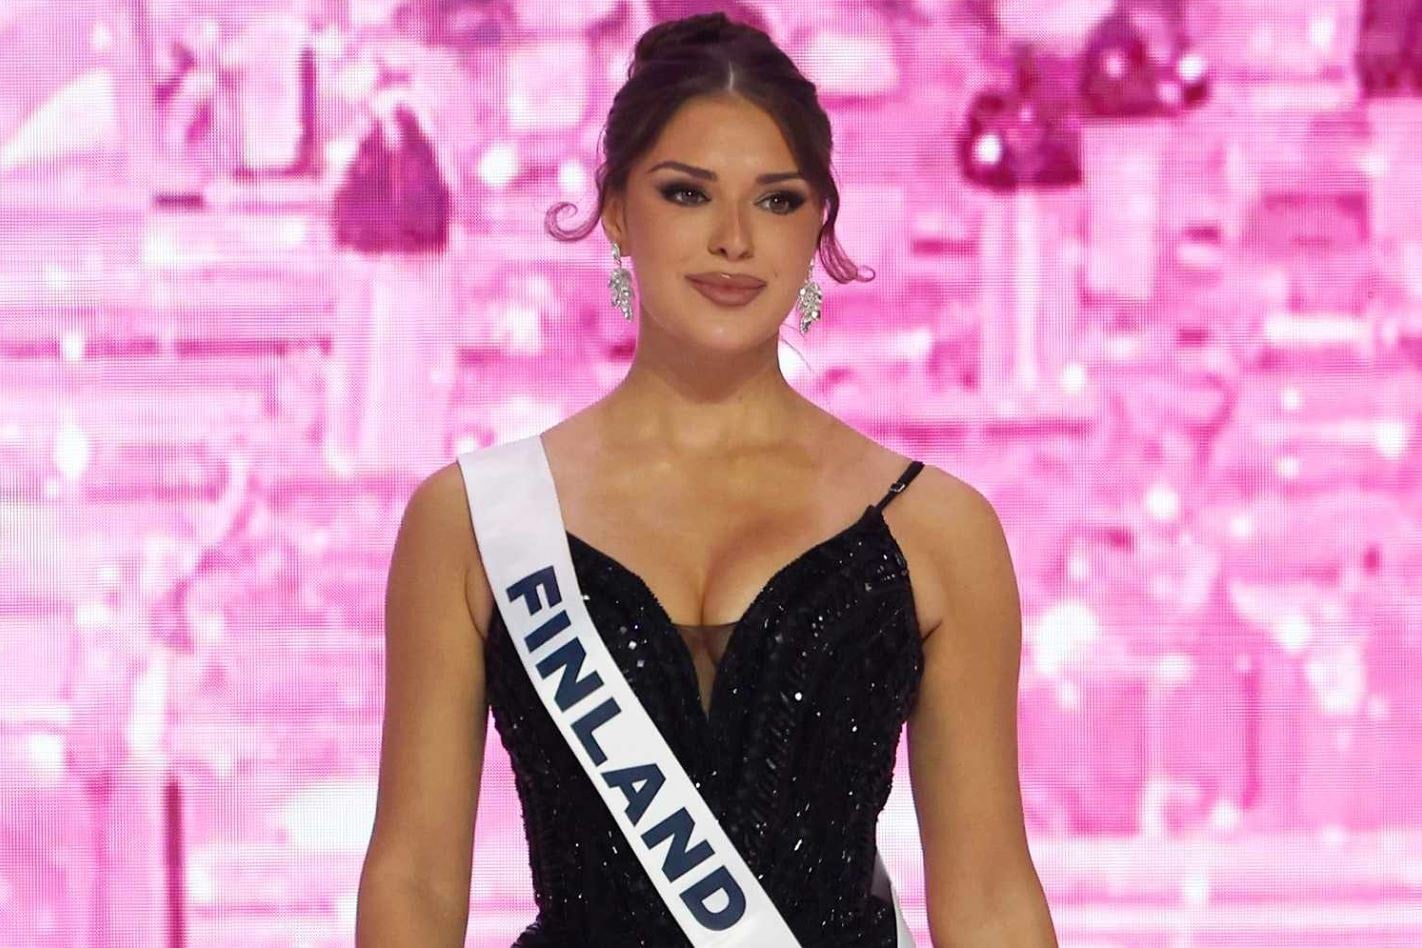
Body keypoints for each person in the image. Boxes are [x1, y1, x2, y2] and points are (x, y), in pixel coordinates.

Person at [357, 12, 1057, 947]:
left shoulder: (937, 532)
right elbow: (411, 881)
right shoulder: (473, 524)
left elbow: (991, 898)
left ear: (819, 227)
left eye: (776, 201)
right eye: (688, 193)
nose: (734, 239)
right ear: (616, 210)